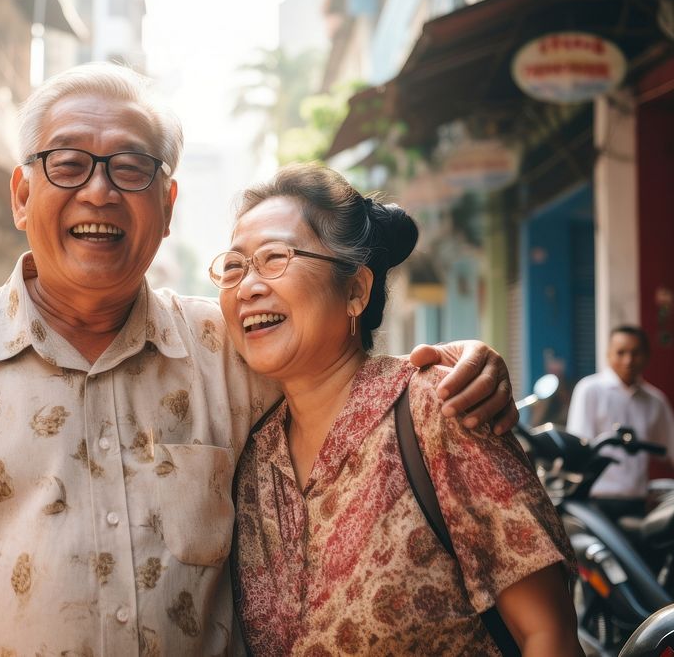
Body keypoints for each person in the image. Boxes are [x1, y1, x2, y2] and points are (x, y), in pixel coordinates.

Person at [0, 63, 519, 656]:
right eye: (69, 162)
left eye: (131, 167)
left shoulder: (230, 350)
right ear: (23, 193)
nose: (99, 189)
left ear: (168, 204)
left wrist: (454, 366)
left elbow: (344, 377)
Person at [219, 164, 580, 655]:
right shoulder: (255, 459)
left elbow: (547, 635)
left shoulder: (436, 408)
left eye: (274, 258)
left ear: (355, 291)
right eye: (235, 266)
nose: (246, 288)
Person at [566, 325, 674, 518]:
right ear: (608, 354)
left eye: (635, 353)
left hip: (637, 504)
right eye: (621, 352)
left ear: (647, 356)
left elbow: (670, 449)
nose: (628, 360)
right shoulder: (589, 390)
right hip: (595, 502)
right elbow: (578, 445)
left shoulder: (656, 401)